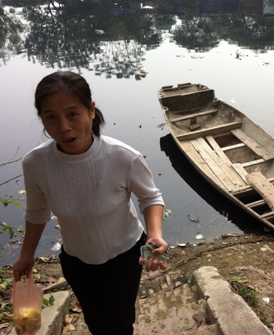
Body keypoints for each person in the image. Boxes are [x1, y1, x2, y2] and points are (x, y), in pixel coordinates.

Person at [12, 71, 168, 335]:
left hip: (125, 257)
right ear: (42, 120)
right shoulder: (35, 163)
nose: (63, 127)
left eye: (72, 114)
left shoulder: (122, 156)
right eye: (51, 117)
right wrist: (26, 255)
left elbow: (150, 197)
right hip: (76, 261)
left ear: (91, 110)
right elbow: (37, 211)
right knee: (96, 323)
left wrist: (154, 234)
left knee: (117, 326)